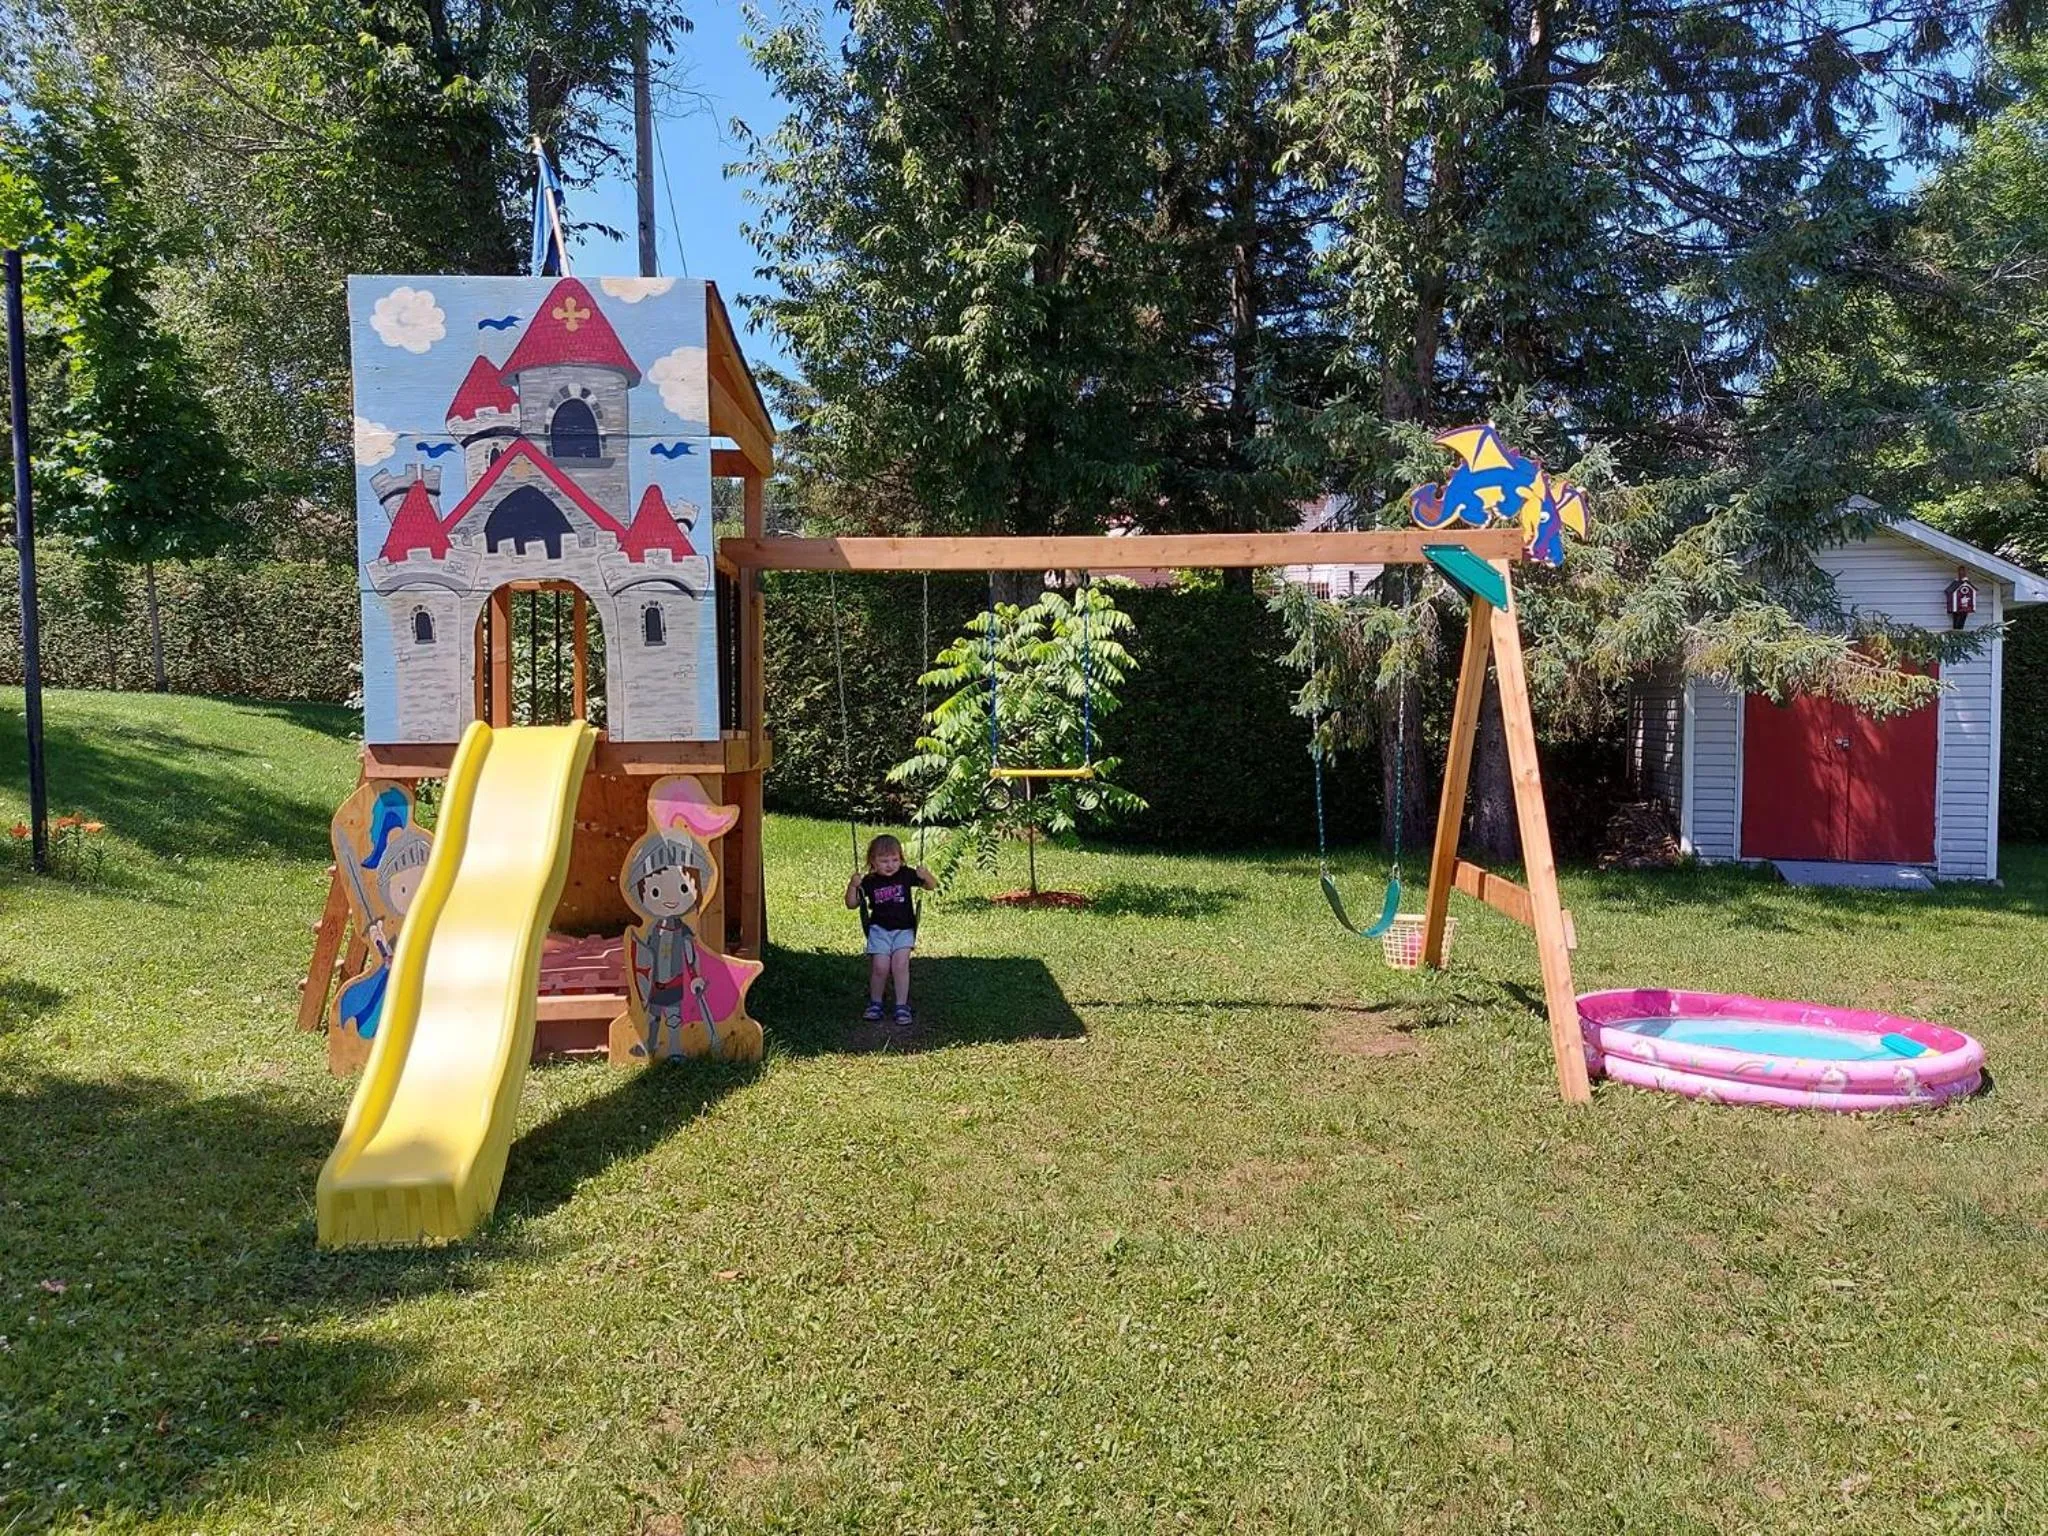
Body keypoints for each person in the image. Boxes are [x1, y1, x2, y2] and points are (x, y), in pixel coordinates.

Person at [845, 834, 936, 1024]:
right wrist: (852, 886)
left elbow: (931, 886)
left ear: (901, 860)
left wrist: (925, 875)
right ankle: (875, 1003)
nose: (890, 865)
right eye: (884, 861)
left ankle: (902, 1006)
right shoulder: (869, 881)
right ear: (873, 862)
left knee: (900, 965)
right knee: (880, 967)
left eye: (895, 860)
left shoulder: (905, 874)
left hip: (904, 929)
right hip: (879, 930)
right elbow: (852, 904)